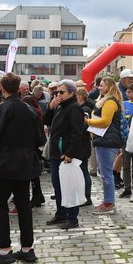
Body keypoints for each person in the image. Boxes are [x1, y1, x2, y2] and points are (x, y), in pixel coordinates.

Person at [0, 72, 44, 264]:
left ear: (4, 89)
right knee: (23, 206)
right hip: (25, 164)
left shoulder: (2, 108)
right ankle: (27, 249)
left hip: (5, 164)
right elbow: (40, 139)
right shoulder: (29, 109)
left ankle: (5, 250)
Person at [44, 80, 90, 230]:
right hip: (57, 153)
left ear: (71, 93)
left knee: (69, 187)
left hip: (67, 154)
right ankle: (61, 213)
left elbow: (78, 133)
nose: (58, 95)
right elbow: (46, 122)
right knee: (58, 186)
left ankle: (72, 217)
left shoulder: (74, 108)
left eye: (61, 92)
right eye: (56, 92)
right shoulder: (59, 107)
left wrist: (70, 153)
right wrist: (50, 108)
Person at [86, 77, 125, 214]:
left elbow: (105, 121)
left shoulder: (109, 101)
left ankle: (109, 203)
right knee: (105, 173)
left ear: (108, 86)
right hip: (105, 140)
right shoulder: (107, 100)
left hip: (106, 141)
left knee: (106, 174)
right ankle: (108, 201)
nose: (99, 87)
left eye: (101, 85)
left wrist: (87, 121)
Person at [118, 83, 133, 198]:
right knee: (125, 164)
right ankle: (127, 187)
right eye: (127, 92)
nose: (127, 94)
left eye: (130, 92)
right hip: (125, 139)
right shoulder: (123, 104)